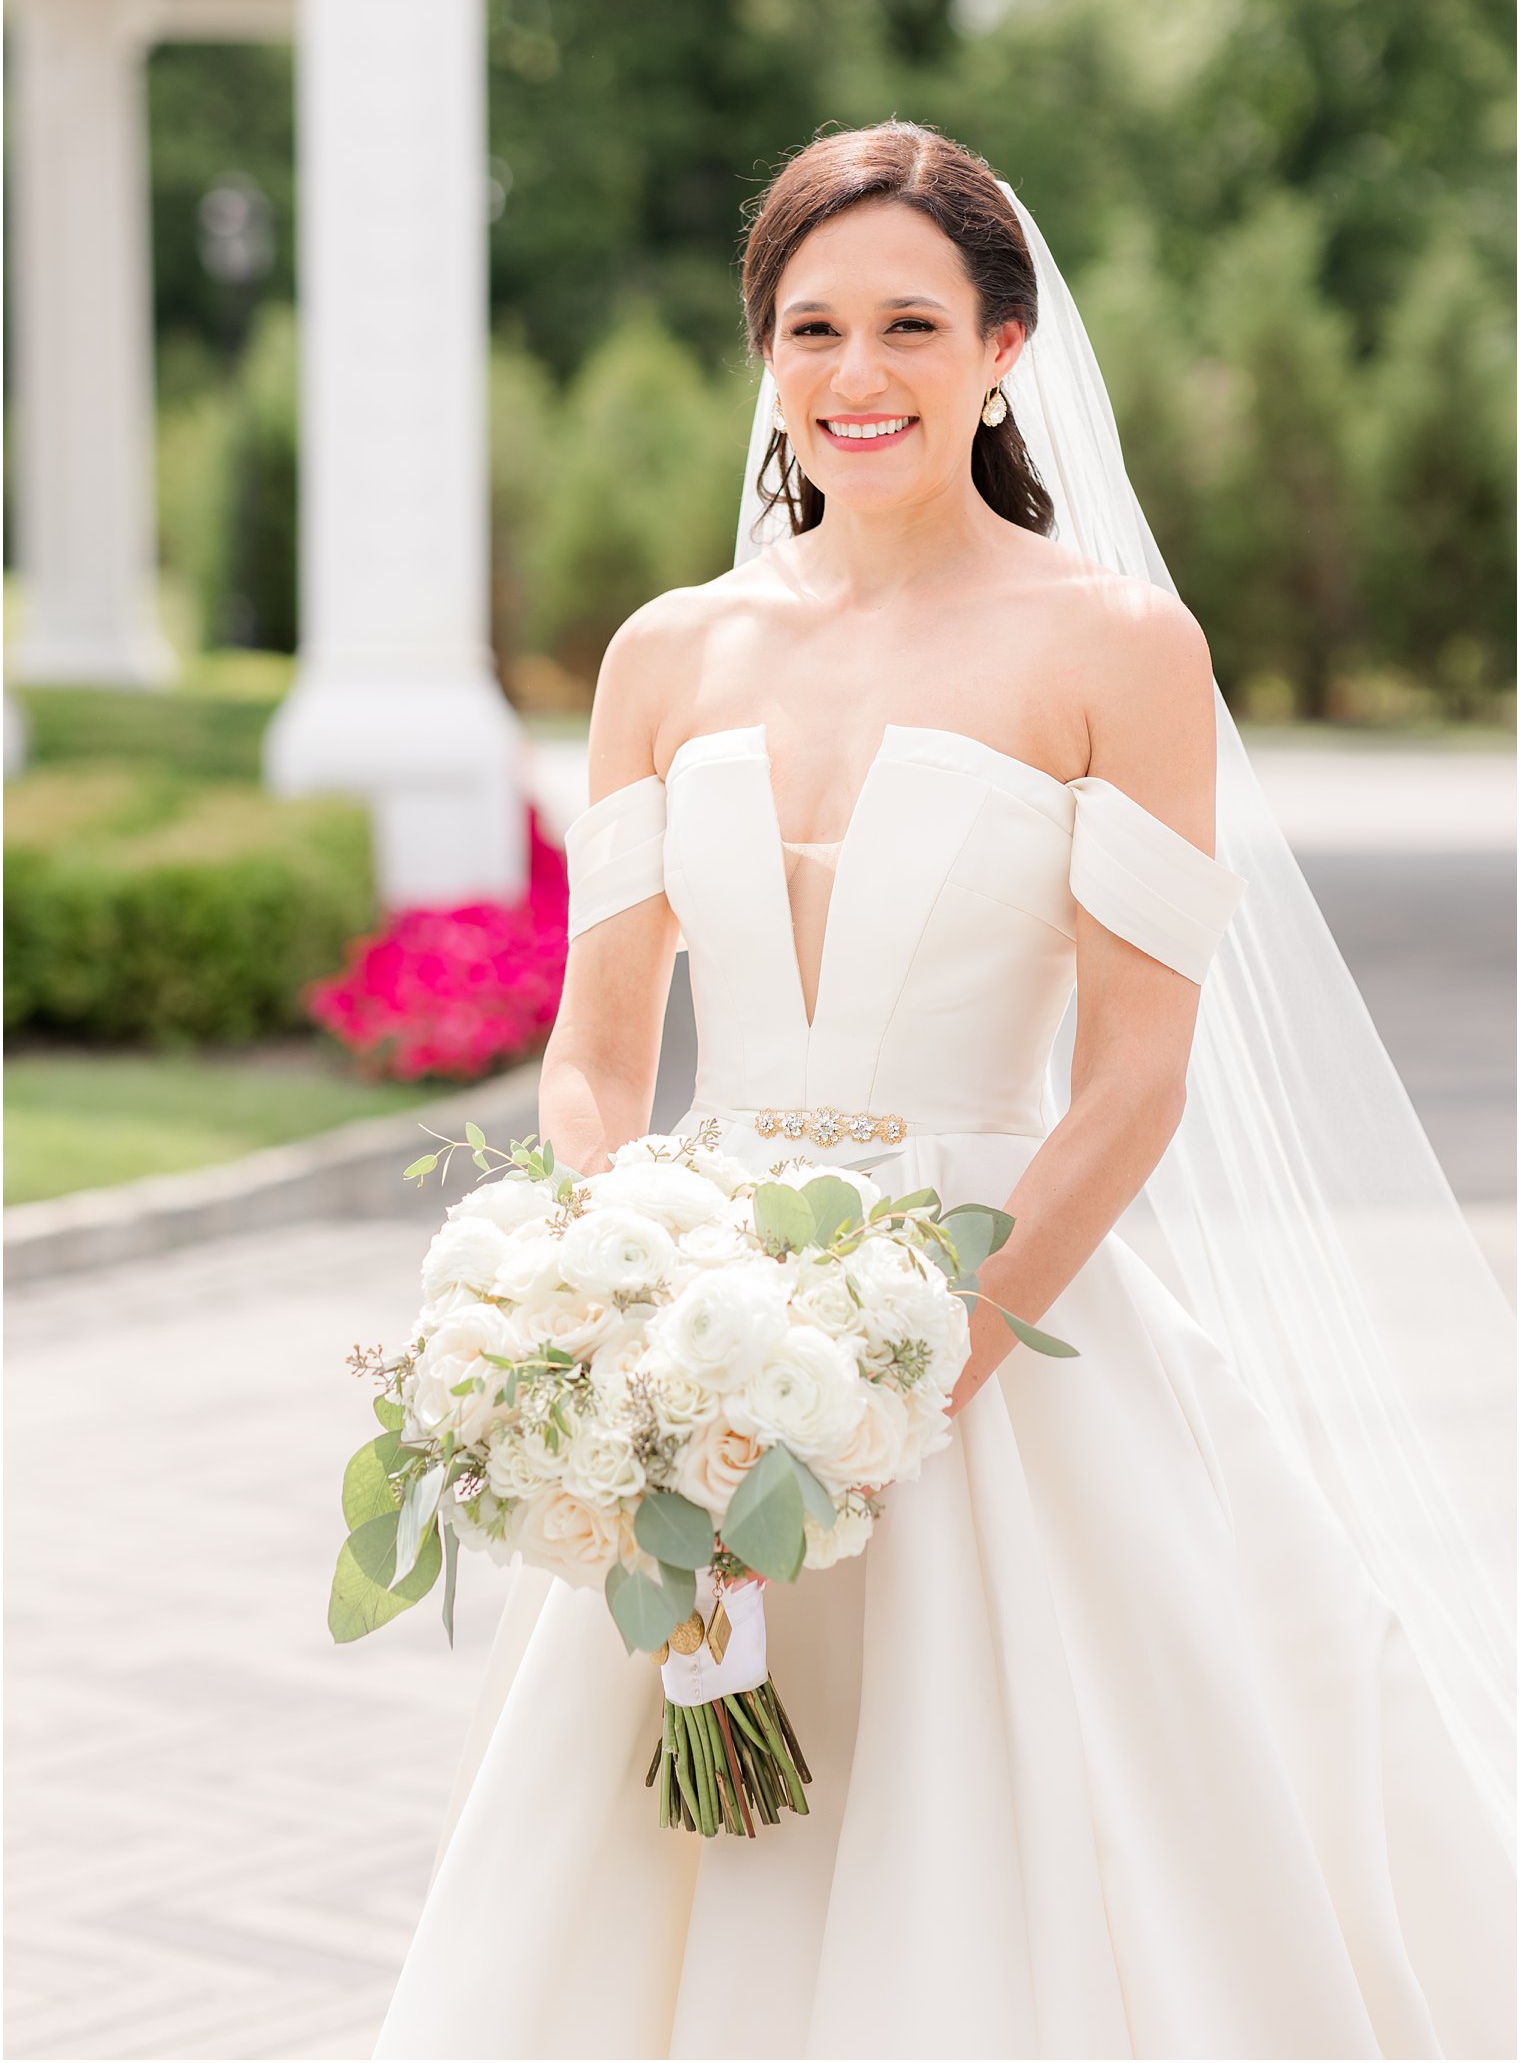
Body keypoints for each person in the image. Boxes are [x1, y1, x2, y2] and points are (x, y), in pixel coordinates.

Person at [374, 123, 1514, 2060]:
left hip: (998, 1339)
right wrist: (633, 1322)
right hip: (695, 1358)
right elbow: (597, 1043)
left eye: (910, 323)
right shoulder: (667, 653)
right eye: (809, 325)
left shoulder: (1116, 646)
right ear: (764, 354)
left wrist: (914, 1377)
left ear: (1002, 346)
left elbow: (1135, 1076)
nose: (855, 375)